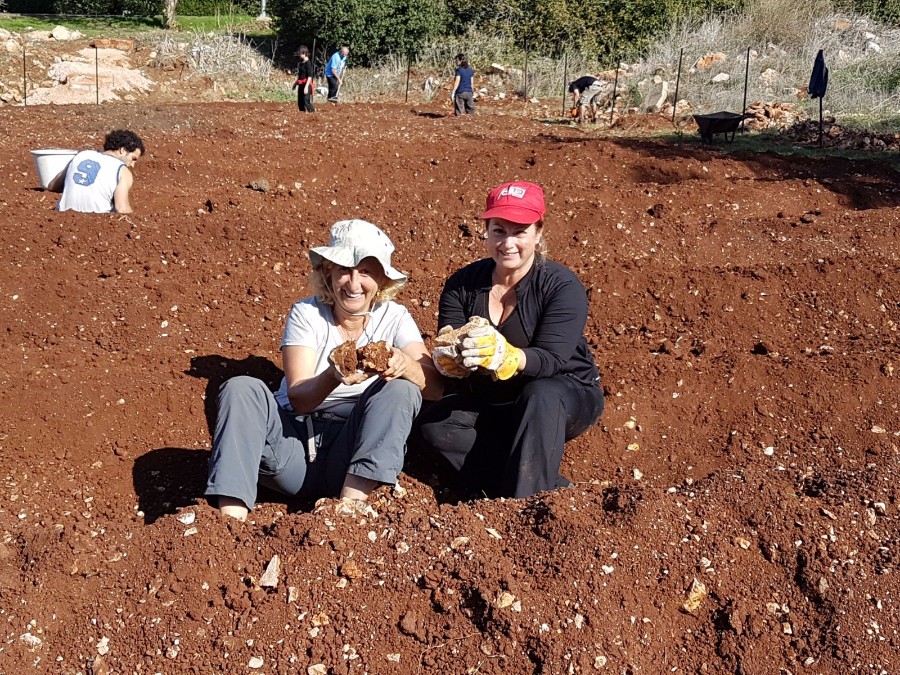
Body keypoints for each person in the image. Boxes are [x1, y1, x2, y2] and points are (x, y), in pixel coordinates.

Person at [205, 219, 443, 521]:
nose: (354, 283)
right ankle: (229, 523)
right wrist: (333, 375)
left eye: (366, 271)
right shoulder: (306, 313)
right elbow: (300, 398)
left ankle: (348, 514)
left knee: (403, 386)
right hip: (291, 451)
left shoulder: (395, 318)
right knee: (241, 388)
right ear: (327, 272)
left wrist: (405, 364)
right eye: (344, 269)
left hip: (353, 453)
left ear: (382, 279)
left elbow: (435, 388)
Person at [419, 181, 604, 499]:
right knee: (434, 425)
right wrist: (450, 360)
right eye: (499, 230)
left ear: (538, 231)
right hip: (493, 401)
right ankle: (543, 486)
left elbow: (551, 360)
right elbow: (449, 340)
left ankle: (522, 506)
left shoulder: (561, 286)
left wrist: (507, 356)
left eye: (520, 231)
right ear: (486, 231)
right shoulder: (461, 285)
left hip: (563, 396)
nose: (508, 243)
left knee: (540, 394)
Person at [50, 129, 145, 214]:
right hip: (95, 223)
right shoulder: (122, 170)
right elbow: (122, 209)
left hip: (62, 217)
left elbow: (53, 185)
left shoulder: (81, 155)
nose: (132, 165)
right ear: (122, 150)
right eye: (133, 158)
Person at [292, 45, 315, 113]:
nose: (299, 54)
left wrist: (306, 87)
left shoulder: (308, 63)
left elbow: (310, 76)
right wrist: (295, 84)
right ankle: (302, 115)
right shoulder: (301, 62)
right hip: (301, 83)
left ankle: (313, 113)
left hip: (306, 84)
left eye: (300, 53)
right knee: (300, 102)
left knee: (306, 101)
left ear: (304, 53)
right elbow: (300, 75)